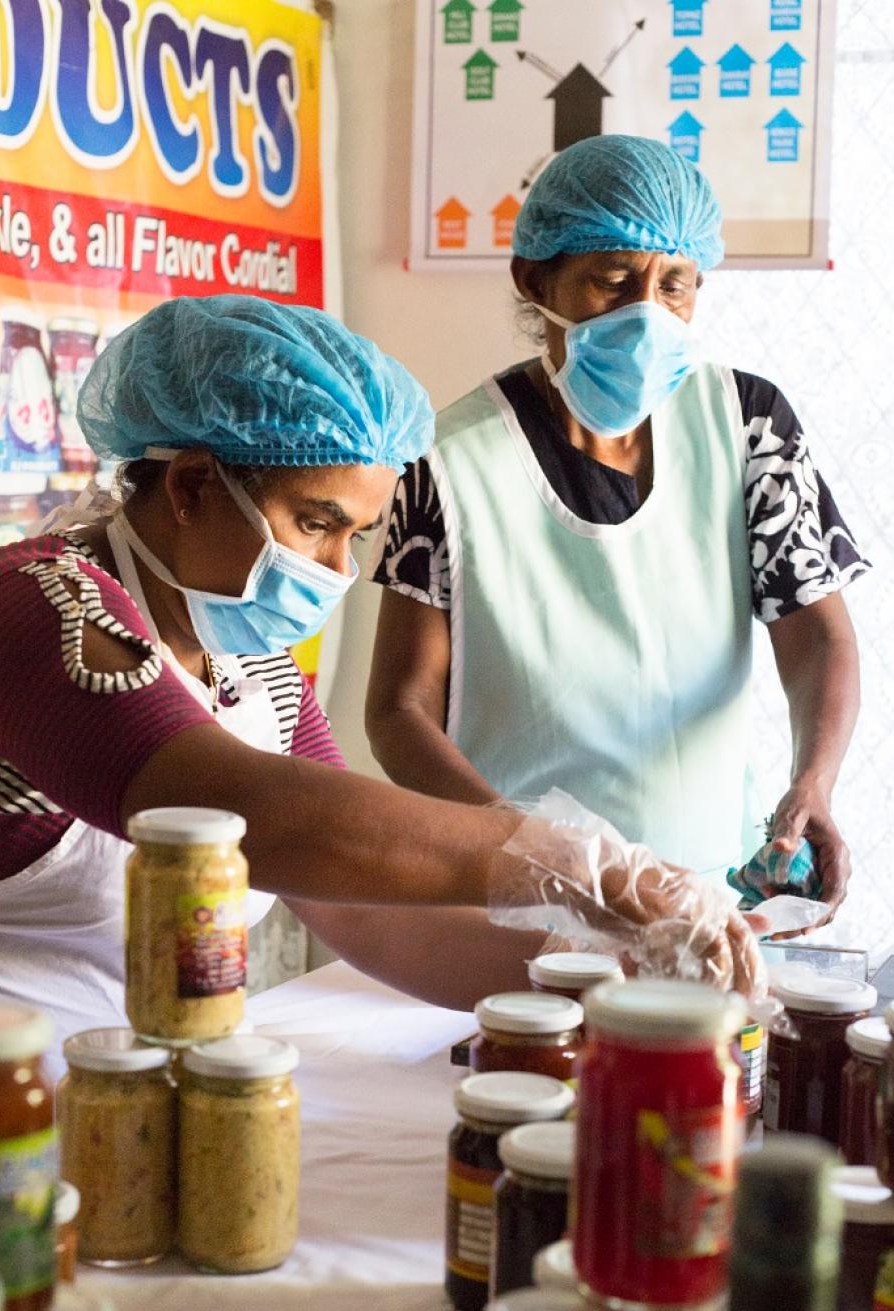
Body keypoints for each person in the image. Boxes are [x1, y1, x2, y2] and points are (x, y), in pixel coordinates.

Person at [0, 296, 759, 1171]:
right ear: (192, 486)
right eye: (314, 522)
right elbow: (253, 815)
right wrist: (580, 865)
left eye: (355, 536)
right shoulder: (31, 608)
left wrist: (607, 974)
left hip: (115, 1099)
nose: (336, 569)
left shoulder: (250, 668)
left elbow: (365, 910)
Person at [366, 135, 867, 915]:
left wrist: (812, 785)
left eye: (674, 285)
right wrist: (528, 847)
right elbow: (398, 710)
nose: (646, 314)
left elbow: (815, 634)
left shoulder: (745, 424)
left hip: (704, 894)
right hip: (519, 897)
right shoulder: (446, 462)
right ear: (535, 278)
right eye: (611, 281)